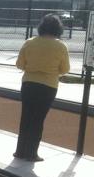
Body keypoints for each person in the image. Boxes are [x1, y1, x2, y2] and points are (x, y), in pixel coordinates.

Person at [13, 13, 70, 162]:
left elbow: (19, 64)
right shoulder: (61, 46)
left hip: (29, 83)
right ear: (58, 29)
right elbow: (65, 69)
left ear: (41, 27)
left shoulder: (30, 42)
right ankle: (32, 153)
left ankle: (20, 150)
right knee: (38, 119)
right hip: (48, 86)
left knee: (26, 117)